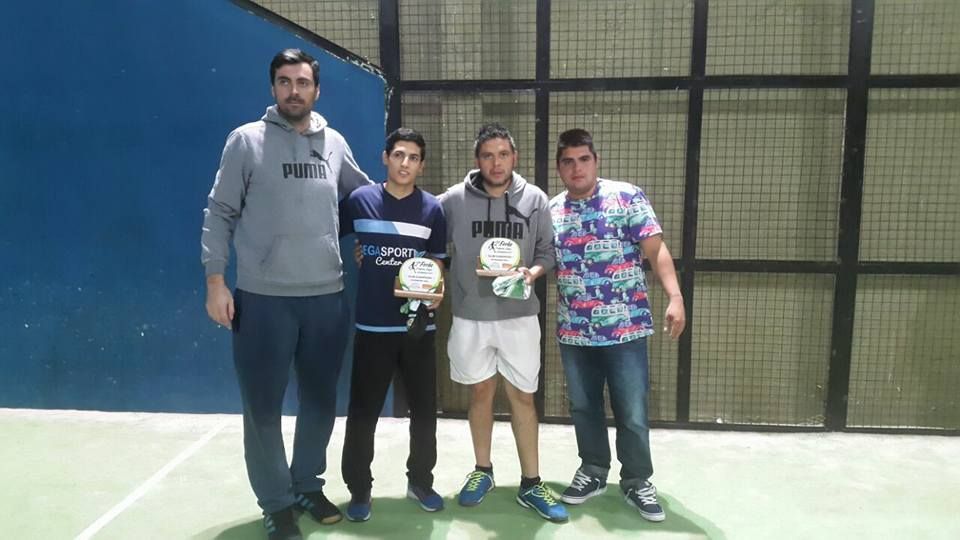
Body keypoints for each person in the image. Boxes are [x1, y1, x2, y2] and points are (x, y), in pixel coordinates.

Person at [201, 48, 372, 540]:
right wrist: (215, 281)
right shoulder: (246, 141)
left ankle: (306, 486)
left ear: (317, 89)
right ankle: (276, 503)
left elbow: (367, 199)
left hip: (326, 297)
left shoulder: (334, 143)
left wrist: (383, 241)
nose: (293, 91)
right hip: (263, 299)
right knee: (263, 408)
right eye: (284, 81)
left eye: (302, 82)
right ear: (273, 87)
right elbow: (219, 212)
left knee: (319, 402)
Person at [548, 128, 686, 522]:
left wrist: (675, 296)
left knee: (632, 409)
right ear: (559, 167)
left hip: (626, 328)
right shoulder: (551, 211)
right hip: (575, 331)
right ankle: (593, 469)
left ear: (596, 161)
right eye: (568, 161)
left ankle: (637, 480)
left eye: (584, 159)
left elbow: (656, 250)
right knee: (583, 406)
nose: (577, 168)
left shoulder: (626, 197)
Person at [439, 123, 568, 523]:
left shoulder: (535, 199)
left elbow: (547, 252)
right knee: (480, 392)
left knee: (523, 397)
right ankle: (483, 470)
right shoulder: (453, 200)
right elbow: (424, 233)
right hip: (471, 316)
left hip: (519, 317)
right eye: (488, 155)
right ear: (477, 160)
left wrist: (533, 272)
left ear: (515, 157)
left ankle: (531, 482)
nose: (496, 163)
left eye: (503, 154)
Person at [338, 128, 447, 522]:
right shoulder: (359, 201)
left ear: (421, 165)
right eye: (399, 154)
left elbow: (437, 262)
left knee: (424, 413)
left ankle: (420, 482)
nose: (405, 163)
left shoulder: (433, 209)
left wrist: (436, 289)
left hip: (418, 329)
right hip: (372, 328)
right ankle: (359, 489)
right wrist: (360, 253)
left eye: (413, 157)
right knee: (363, 412)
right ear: (385, 157)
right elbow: (324, 236)